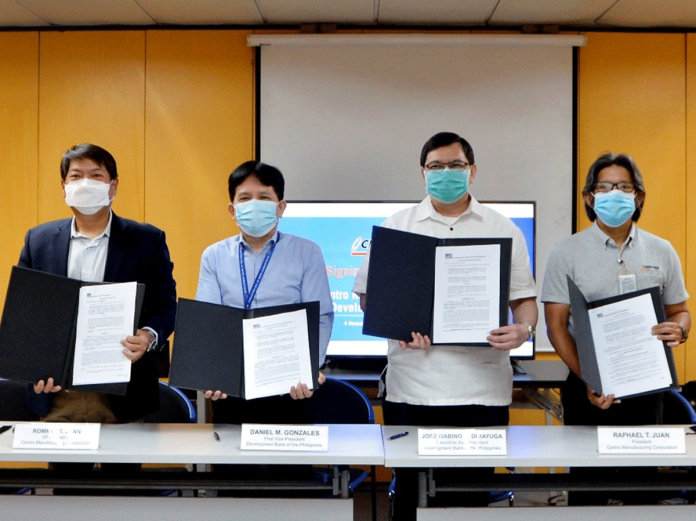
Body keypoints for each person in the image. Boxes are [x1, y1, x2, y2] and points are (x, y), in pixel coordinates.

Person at [352, 132, 537, 519]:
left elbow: (524, 301)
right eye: (436, 166)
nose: (446, 173)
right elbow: (369, 298)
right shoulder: (397, 225)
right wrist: (399, 323)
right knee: (410, 499)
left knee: (469, 500)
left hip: (482, 392)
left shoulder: (502, 228)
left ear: (473, 171)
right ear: (423, 172)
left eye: (455, 165)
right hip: (413, 391)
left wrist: (523, 331)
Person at [18, 143, 176, 487]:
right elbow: (26, 315)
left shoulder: (146, 240)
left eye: (96, 175)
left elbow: (166, 304)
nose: (85, 183)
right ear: (64, 186)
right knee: (67, 493)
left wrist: (148, 336)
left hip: (124, 394)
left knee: (123, 493)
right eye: (76, 176)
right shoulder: (39, 240)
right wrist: (35, 367)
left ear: (113, 185)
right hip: (61, 397)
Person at [542, 152, 690, 504]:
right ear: (590, 197)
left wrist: (679, 330)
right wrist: (589, 379)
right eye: (604, 187)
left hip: (646, 387)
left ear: (638, 196)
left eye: (624, 186)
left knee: (643, 491)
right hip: (586, 388)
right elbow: (556, 325)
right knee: (587, 491)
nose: (614, 193)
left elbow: (680, 311)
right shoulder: (567, 251)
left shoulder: (662, 249)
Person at [195, 160, 334, 424]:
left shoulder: (306, 252)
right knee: (234, 464)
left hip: (290, 387)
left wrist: (308, 366)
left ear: (280, 207)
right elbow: (209, 320)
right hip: (232, 388)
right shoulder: (214, 256)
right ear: (232, 209)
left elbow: (321, 317)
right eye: (245, 198)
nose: (254, 204)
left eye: (264, 197)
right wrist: (212, 372)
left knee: (288, 465)